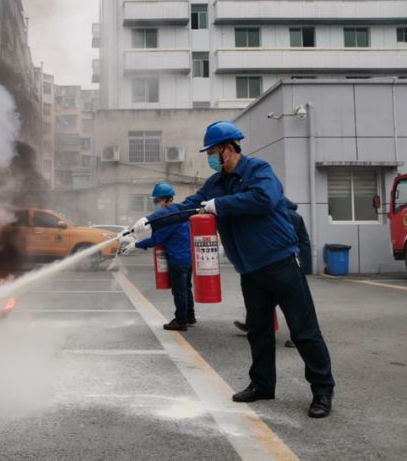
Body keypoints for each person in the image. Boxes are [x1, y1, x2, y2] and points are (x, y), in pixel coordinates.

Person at [129, 121, 335, 418]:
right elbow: (186, 207)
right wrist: (150, 221)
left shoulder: (258, 170)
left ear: (229, 148)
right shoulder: (215, 184)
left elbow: (264, 200)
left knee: (304, 331)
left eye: (212, 150)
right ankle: (262, 384)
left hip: (280, 263)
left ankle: (322, 391)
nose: (210, 156)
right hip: (250, 270)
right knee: (259, 331)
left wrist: (219, 206)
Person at [234, 198, 312, 348]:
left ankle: (295, 336)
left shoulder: (280, 216)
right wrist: (305, 267)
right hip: (292, 264)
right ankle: (252, 324)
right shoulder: (295, 216)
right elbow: (305, 242)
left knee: (286, 303)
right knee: (283, 301)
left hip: (282, 264)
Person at [122, 182, 195, 331]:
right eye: (154, 201)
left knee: (179, 290)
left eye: (157, 201)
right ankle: (189, 316)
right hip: (188, 258)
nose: (155, 204)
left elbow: (157, 239)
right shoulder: (178, 214)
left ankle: (181, 321)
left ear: (167, 199)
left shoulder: (170, 219)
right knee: (186, 288)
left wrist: (134, 245)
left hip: (178, 259)